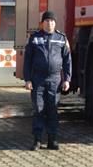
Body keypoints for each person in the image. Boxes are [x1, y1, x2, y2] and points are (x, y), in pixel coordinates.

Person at [22, 11, 72, 150]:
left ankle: (52, 140)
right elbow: (27, 61)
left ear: (55, 23)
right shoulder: (34, 38)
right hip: (38, 79)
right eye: (47, 21)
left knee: (52, 110)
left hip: (55, 79)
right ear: (42, 23)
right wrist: (27, 79)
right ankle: (37, 140)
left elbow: (68, 60)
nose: (49, 23)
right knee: (38, 109)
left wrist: (67, 79)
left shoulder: (61, 38)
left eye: (51, 21)